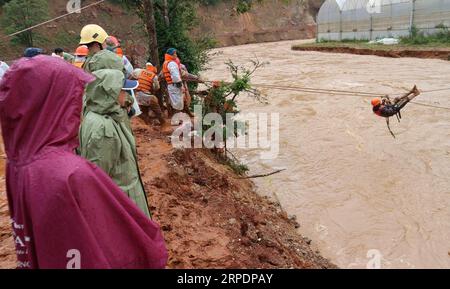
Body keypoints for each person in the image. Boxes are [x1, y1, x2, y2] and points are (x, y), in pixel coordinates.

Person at [0, 55, 167, 269]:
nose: (78, 100)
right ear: (57, 100)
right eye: (72, 94)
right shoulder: (69, 173)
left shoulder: (19, 165)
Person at [79, 67, 151, 217]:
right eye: (123, 91)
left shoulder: (100, 115)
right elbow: (98, 180)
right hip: (123, 204)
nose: (126, 95)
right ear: (110, 93)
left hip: (124, 199)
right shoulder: (103, 129)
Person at [162, 48, 184, 112]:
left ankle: (177, 118)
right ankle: (178, 119)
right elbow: (175, 76)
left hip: (171, 85)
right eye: (175, 53)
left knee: (174, 102)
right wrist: (181, 86)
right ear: (171, 55)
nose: (176, 55)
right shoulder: (172, 63)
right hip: (175, 86)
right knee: (178, 103)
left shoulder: (165, 63)